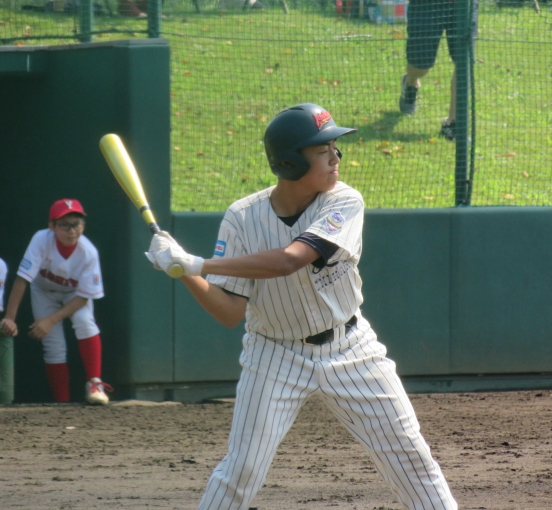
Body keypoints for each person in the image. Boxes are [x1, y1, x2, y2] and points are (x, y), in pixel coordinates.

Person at [146, 103, 459, 510]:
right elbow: (228, 312)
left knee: (411, 458)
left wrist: (197, 264)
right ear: (290, 162)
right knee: (241, 470)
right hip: (274, 354)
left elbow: (289, 260)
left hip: (351, 349)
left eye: (334, 146)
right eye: (322, 149)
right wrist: (181, 270)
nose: (336, 156)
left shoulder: (343, 200)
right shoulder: (242, 218)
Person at [0, 199, 112, 405]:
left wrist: (50, 320)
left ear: (83, 226)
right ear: (52, 226)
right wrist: (10, 318)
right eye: (65, 225)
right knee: (53, 345)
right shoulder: (41, 240)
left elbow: (84, 296)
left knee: (85, 323)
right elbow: (22, 279)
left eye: (76, 224)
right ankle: (61, 404)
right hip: (44, 291)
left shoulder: (89, 252)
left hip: (74, 295)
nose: (72, 230)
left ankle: (95, 384)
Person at [399, 0, 478, 141]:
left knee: (463, 62)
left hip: (463, 4)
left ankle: (453, 122)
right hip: (427, 4)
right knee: (420, 66)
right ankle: (410, 82)